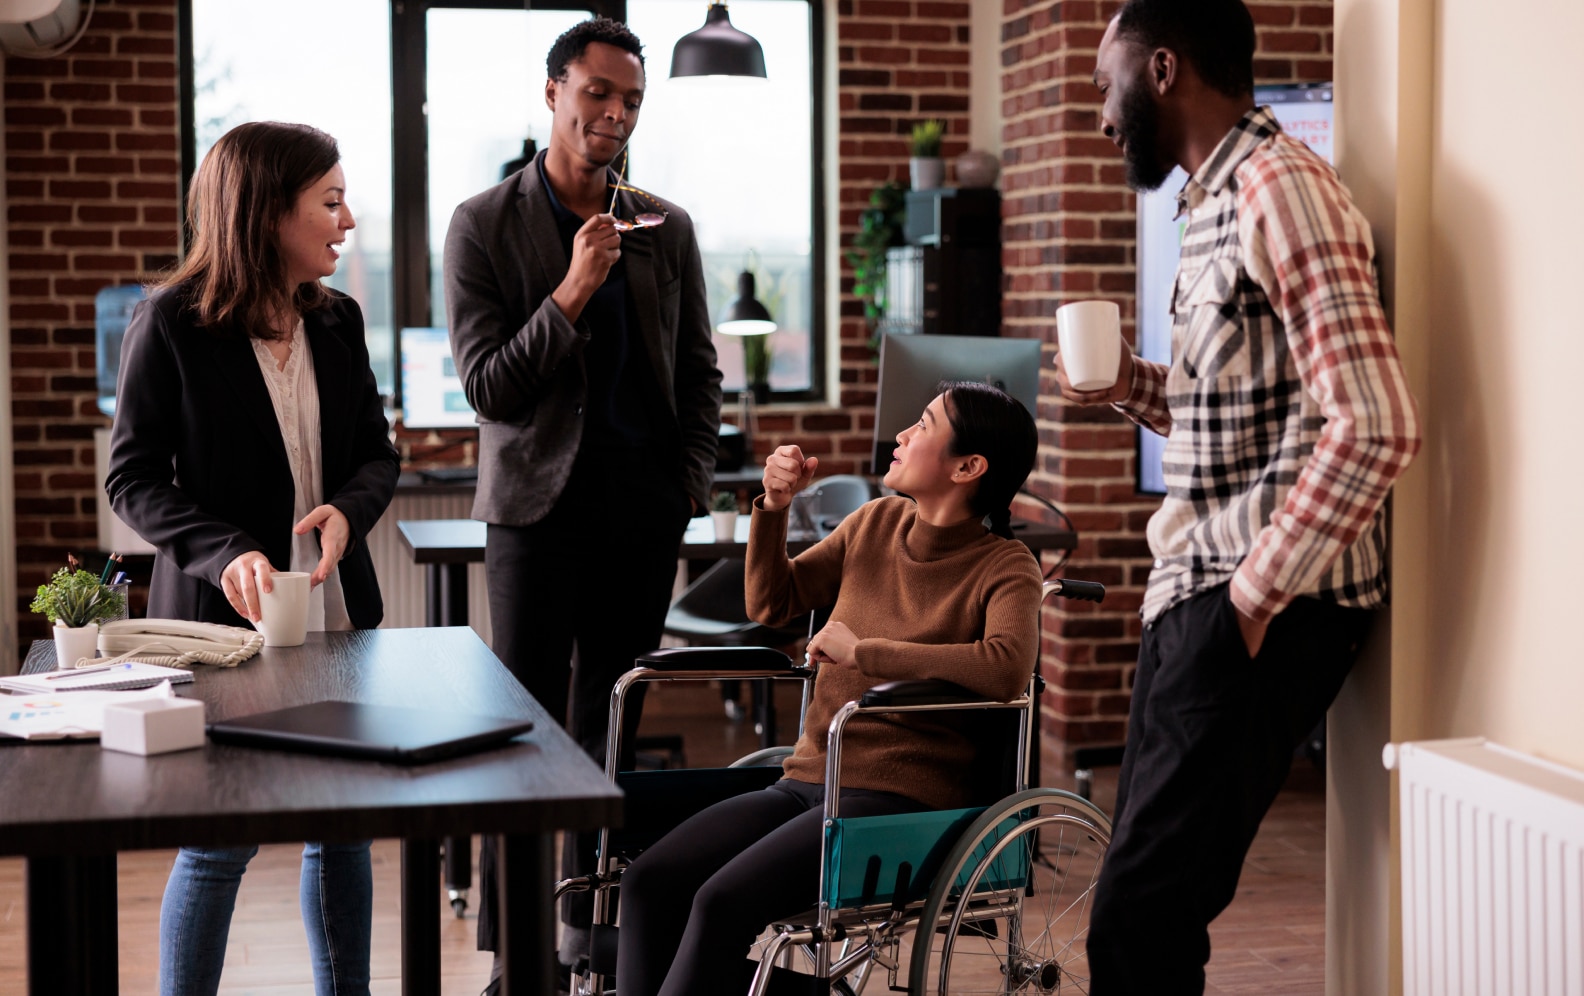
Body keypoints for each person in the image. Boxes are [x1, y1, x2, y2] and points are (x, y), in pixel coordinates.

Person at [1065, 2, 1423, 992]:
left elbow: (1376, 421)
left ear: (1165, 70)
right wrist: (1128, 388)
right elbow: (1244, 424)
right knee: (1140, 915)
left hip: (1253, 600)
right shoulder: (1209, 203)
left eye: (1107, 85)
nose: (1102, 115)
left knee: (1139, 923)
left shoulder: (1280, 191)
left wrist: (1249, 602)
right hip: (1198, 591)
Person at [441, 15, 723, 983]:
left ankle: (587, 936)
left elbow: (697, 373)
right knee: (522, 738)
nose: (614, 114)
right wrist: (569, 293)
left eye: (632, 100)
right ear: (553, 93)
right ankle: (516, 956)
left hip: (643, 515)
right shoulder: (483, 224)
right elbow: (487, 387)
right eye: (598, 93)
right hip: (534, 516)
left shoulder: (665, 225)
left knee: (611, 736)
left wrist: (687, 485)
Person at [615, 381, 1044, 996]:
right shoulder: (872, 523)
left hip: (898, 798)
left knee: (719, 902)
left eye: (922, 425)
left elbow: (1005, 666)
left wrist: (864, 652)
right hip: (809, 779)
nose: (901, 435)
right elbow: (771, 599)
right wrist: (774, 504)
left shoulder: (1006, 567)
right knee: (649, 881)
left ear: (969, 467)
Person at [106, 121, 399, 996]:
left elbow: (377, 456)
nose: (346, 221)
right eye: (331, 202)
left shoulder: (339, 322)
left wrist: (350, 513)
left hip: (335, 619)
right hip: (219, 631)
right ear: (270, 212)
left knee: (343, 828)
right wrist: (226, 548)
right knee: (220, 841)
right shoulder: (169, 324)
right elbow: (132, 479)